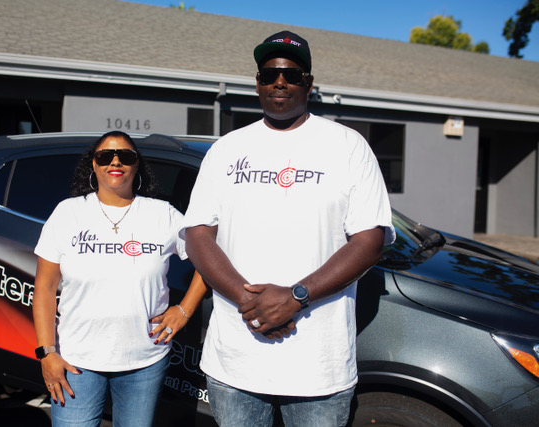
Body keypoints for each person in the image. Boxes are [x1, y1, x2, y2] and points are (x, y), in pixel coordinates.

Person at [182, 30, 395, 427]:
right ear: (258, 83)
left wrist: (296, 297)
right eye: (269, 74)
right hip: (235, 363)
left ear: (309, 84)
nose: (280, 82)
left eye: (292, 74)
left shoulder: (347, 147)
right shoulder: (227, 149)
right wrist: (251, 303)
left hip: (318, 368)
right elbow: (196, 233)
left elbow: (370, 240)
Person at [32, 130, 207, 427]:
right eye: (105, 156)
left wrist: (184, 310)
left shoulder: (162, 214)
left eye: (125, 156)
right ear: (94, 165)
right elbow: (45, 288)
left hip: (144, 360)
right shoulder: (68, 213)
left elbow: (208, 261)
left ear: (136, 165)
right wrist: (47, 353)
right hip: (77, 359)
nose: (115, 161)